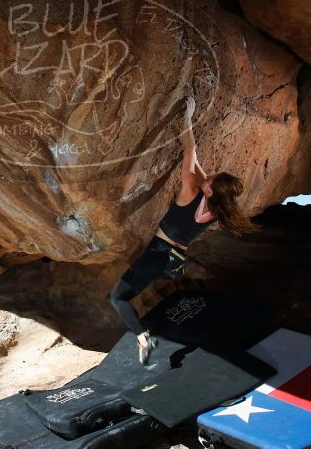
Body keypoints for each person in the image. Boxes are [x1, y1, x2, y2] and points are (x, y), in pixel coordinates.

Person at [109, 96, 257, 364]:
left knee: (118, 298)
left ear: (209, 190)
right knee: (135, 282)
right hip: (174, 261)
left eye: (210, 179)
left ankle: (144, 338)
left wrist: (187, 117)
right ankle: (147, 332)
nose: (208, 176)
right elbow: (201, 170)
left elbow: (190, 152)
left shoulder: (191, 190)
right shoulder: (220, 206)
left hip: (159, 254)